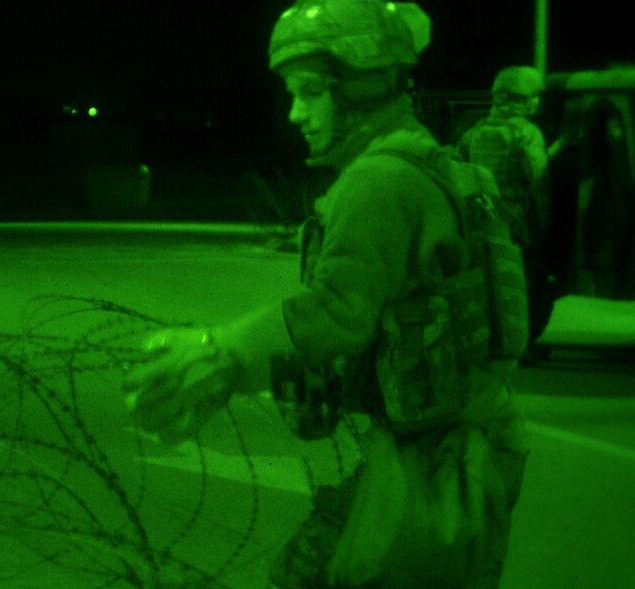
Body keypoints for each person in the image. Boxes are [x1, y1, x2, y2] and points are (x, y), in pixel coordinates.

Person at [124, 1, 529, 587]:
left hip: (440, 457)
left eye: (310, 92)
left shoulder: (379, 182)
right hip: (461, 444)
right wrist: (303, 383)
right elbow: (387, 319)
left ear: (361, 85)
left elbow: (338, 312)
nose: (295, 113)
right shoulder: (432, 163)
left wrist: (220, 353)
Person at [457, 66, 555, 343]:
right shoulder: (527, 133)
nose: (537, 102)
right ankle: (521, 342)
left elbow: (458, 175)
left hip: (480, 219)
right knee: (522, 284)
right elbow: (540, 184)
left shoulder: (473, 133)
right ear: (521, 99)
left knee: (487, 282)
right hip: (516, 221)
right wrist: (543, 228)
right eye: (534, 96)